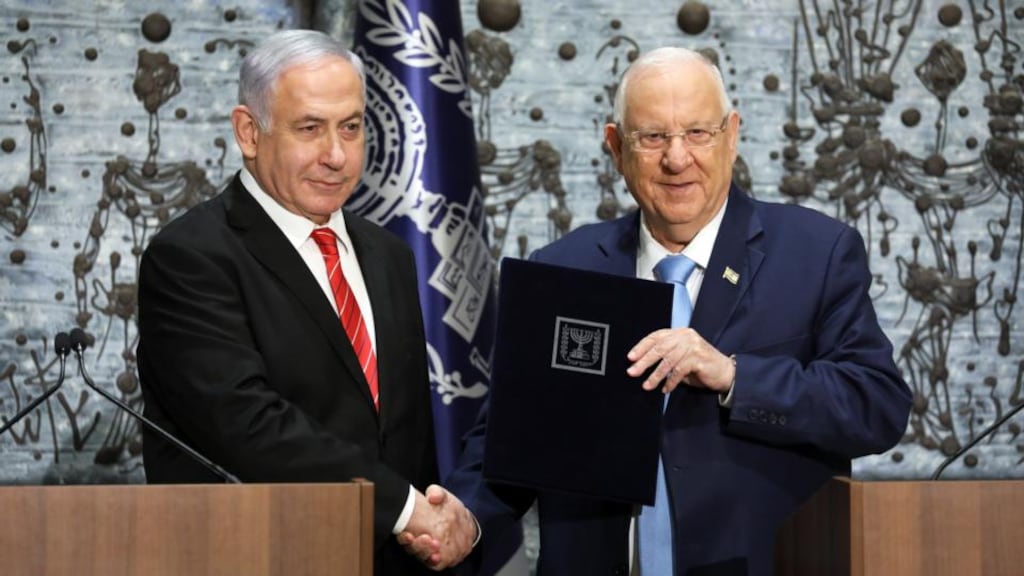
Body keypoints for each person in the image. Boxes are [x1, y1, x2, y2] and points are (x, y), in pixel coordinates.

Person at [405, 47, 913, 575]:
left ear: (732, 135)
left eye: (698, 133)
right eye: (652, 137)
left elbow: (876, 405)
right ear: (615, 146)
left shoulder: (816, 253)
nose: (677, 158)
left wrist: (734, 377)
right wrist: (467, 519)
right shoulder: (564, 268)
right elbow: (513, 440)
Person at [136, 30, 476, 575]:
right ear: (249, 132)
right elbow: (246, 425)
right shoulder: (190, 257)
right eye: (310, 128)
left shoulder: (388, 255)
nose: (336, 155)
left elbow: (403, 437)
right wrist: (406, 508)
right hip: (257, 558)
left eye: (351, 127)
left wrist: (432, 525)